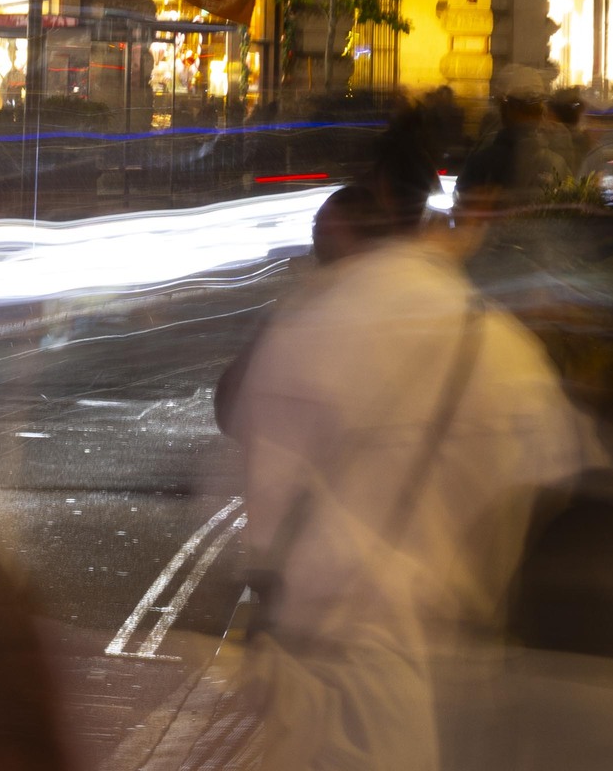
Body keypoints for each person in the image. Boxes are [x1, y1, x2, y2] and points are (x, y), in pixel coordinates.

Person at [229, 163, 584, 770]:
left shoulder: (300, 329)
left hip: (311, 659)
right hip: (451, 664)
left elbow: (250, 471)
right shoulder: (501, 346)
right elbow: (552, 494)